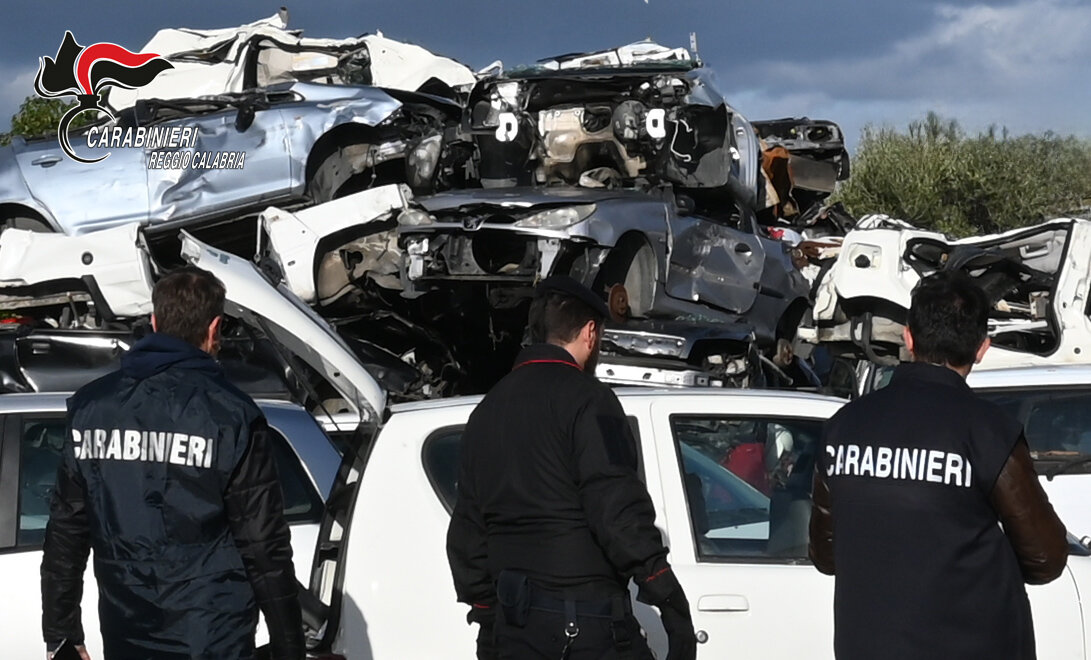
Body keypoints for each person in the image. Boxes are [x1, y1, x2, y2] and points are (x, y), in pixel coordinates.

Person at [41, 266, 304, 660]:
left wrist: (61, 633)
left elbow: (67, 531)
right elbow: (264, 545)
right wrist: (289, 646)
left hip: (127, 630)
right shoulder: (232, 415)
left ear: (153, 321)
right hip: (213, 636)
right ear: (215, 329)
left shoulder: (91, 407)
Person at [809, 271, 1068, 659]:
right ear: (982, 348)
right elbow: (1045, 557)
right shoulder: (988, 432)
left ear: (909, 337)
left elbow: (825, 554)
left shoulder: (844, 425)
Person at [446, 276, 696, 660]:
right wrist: (665, 591)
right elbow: (614, 506)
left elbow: (468, 527)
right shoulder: (590, 401)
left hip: (513, 629)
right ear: (590, 332)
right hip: (585, 626)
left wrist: (485, 613)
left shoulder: (487, 411)